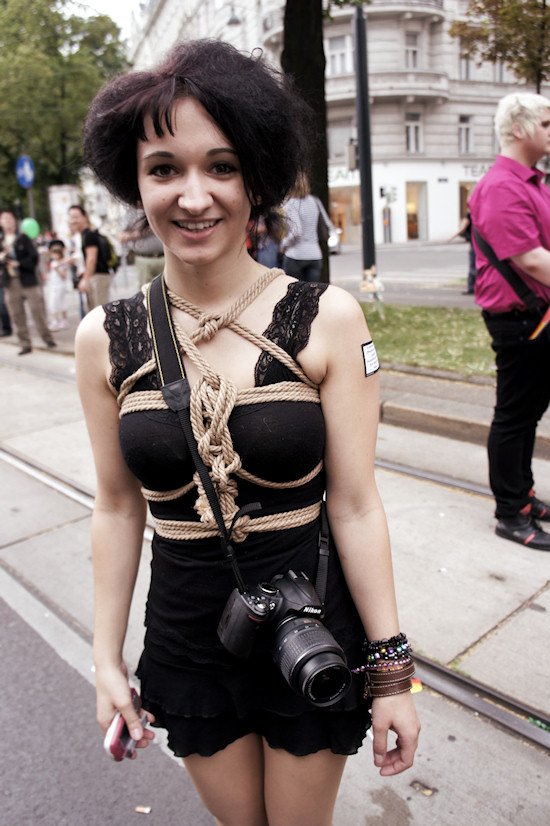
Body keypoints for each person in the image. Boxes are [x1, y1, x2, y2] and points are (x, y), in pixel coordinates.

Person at [75, 40, 420, 826]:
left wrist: (392, 671)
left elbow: (358, 505)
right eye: (165, 168)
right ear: (136, 181)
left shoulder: (326, 317)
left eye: (220, 166)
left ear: (254, 177)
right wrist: (104, 658)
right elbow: (117, 507)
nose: (194, 196)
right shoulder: (106, 336)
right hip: (188, 634)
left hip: (310, 623)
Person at [469, 92, 550, 551]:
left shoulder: (532, 182)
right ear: (517, 128)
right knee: (515, 416)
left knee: (528, 414)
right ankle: (509, 512)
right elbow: (532, 260)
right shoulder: (502, 185)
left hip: (537, 316)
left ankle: (524, 496)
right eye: (545, 122)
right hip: (520, 321)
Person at [0, 210, 56, 355]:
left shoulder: (22, 237)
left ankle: (47, 338)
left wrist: (19, 264)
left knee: (37, 311)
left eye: (9, 218)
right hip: (10, 283)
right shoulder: (1, 240)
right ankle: (24, 344)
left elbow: (34, 259)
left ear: (14, 221)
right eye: (4, 219)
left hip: (27, 280)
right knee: (16, 314)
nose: (7, 221)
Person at [280, 177, 334, 282]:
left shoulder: (290, 204)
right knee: (311, 295)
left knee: (293, 294)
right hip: (315, 254)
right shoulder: (315, 201)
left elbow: (297, 231)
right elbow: (328, 223)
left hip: (295, 255)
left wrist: (283, 244)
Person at [68, 204, 111, 311]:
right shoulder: (85, 235)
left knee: (99, 312)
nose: (73, 221)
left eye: (76, 217)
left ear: (84, 217)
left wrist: (85, 280)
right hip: (96, 276)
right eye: (71, 217)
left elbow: (91, 258)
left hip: (98, 276)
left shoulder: (89, 236)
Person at [119, 208, 165, 288]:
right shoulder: (132, 213)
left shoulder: (161, 208)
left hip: (164, 257)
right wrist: (139, 233)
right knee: (145, 290)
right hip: (144, 259)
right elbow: (121, 237)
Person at [449, 212, 476, 294]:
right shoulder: (481, 212)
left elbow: (462, 228)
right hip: (482, 243)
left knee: (473, 266)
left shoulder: (470, 214)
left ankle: (472, 288)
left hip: (474, 243)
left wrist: (451, 237)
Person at [46, 241, 70, 330]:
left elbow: (64, 276)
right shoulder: (53, 263)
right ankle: (55, 320)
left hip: (60, 286)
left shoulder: (61, 264)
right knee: (53, 303)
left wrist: (57, 270)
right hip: (53, 285)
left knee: (60, 303)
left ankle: (63, 320)